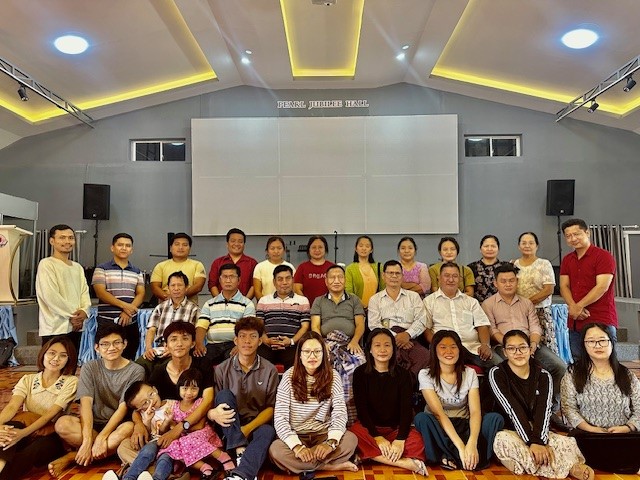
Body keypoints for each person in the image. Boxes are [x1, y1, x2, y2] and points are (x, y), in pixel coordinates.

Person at [489, 330, 593, 480]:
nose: (518, 352)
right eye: (511, 349)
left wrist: (539, 440)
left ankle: (557, 467)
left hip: (535, 428)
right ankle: (566, 469)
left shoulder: (543, 375)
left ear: (530, 349)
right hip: (509, 429)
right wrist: (533, 442)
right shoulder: (497, 373)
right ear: (505, 352)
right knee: (504, 442)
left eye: (522, 347)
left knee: (565, 442)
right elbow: (512, 409)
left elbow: (544, 411)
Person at [49, 324, 145, 476]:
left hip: (118, 426)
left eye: (116, 342)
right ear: (96, 348)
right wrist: (88, 440)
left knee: (128, 428)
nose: (111, 348)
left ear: (125, 344)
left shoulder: (136, 370)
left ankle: (74, 457)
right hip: (92, 424)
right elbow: (85, 404)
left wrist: (102, 437)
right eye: (105, 344)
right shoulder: (90, 367)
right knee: (62, 424)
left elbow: (123, 408)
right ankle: (106, 450)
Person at [120, 322, 214, 474]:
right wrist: (138, 424)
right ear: (166, 345)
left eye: (185, 338)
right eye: (173, 339)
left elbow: (208, 401)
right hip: (163, 435)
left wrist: (179, 428)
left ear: (192, 343)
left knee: (172, 448)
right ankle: (160, 472)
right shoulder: (159, 371)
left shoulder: (202, 364)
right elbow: (141, 403)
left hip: (192, 432)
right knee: (124, 446)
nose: (179, 344)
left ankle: (153, 471)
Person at [269, 332, 358, 473]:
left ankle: (303, 466)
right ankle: (328, 466)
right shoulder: (288, 377)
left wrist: (330, 443)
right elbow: (280, 418)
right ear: (299, 355)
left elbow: (340, 413)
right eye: (307, 352)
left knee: (350, 440)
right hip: (297, 434)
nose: (312, 356)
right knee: (276, 451)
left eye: (317, 351)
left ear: (324, 354)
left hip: (323, 434)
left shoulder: (333, 375)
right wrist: (297, 447)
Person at [482, 263, 566, 413]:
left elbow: (535, 326)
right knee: (508, 369)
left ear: (517, 281)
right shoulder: (488, 304)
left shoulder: (526, 303)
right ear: (495, 283)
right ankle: (517, 410)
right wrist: (511, 346)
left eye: (511, 280)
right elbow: (492, 330)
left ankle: (551, 408)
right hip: (504, 346)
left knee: (559, 366)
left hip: (529, 345)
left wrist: (532, 344)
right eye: (503, 281)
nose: (508, 284)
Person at [414, 330, 503, 471]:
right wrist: (462, 447)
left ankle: (449, 456)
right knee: (421, 419)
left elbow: (475, 411)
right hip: (440, 426)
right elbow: (439, 414)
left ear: (460, 350)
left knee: (495, 419)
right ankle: (466, 457)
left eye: (453, 347)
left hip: (465, 424)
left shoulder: (469, 373)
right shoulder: (425, 374)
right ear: (434, 351)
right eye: (443, 347)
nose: (449, 351)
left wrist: (472, 443)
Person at [560, 322, 640, 474]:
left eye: (602, 340)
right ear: (584, 345)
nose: (598, 345)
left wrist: (627, 427)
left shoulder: (626, 375)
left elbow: (639, 408)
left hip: (623, 437)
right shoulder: (573, 374)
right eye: (591, 341)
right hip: (589, 437)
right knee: (568, 446)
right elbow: (569, 408)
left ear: (611, 342)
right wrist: (591, 429)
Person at [208, 316, 279, 480]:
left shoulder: (270, 370)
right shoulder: (221, 369)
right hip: (228, 427)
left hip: (256, 425)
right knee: (224, 395)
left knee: (268, 431)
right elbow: (216, 404)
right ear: (235, 340)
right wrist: (213, 413)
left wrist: (246, 430)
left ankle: (241, 475)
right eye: (242, 336)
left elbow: (271, 408)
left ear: (260, 341)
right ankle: (240, 449)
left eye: (253, 336)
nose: (247, 341)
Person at [350, 328, 427, 475]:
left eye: (387, 345)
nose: (382, 349)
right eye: (377, 345)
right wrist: (377, 437)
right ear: (370, 350)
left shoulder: (403, 375)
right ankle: (402, 462)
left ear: (393, 349)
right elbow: (362, 410)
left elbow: (406, 409)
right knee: (353, 434)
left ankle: (372, 456)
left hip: (395, 429)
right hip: (369, 429)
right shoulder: (360, 373)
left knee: (418, 442)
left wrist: (400, 439)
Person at [0, 337, 78, 480]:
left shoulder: (70, 382)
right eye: (52, 353)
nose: (56, 359)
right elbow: (12, 406)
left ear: (69, 359)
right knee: (6, 434)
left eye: (63, 355)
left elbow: (49, 415)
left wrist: (22, 434)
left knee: (29, 454)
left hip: (50, 434)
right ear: (43, 354)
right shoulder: (27, 379)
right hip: (26, 425)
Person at [310, 264, 366, 423]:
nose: (336, 281)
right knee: (320, 365)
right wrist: (322, 343)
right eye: (332, 278)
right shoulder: (319, 301)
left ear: (345, 280)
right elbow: (315, 326)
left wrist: (355, 341)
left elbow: (360, 324)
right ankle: (325, 415)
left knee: (360, 363)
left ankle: (352, 416)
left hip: (349, 342)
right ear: (326, 281)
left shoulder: (354, 299)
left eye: (340, 277)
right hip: (326, 342)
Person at [158, 369, 234, 480]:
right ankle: (205, 468)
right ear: (178, 388)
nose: (189, 392)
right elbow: (170, 427)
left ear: (199, 389)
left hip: (202, 433)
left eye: (194, 388)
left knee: (186, 441)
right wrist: (168, 421)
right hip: (185, 437)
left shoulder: (199, 403)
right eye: (185, 388)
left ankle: (224, 457)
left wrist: (178, 427)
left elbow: (200, 425)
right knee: (172, 447)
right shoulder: (174, 406)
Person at [559, 219, 618, 360]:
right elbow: (563, 286)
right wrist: (573, 308)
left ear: (587, 233)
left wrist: (579, 306)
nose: (573, 239)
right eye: (568, 236)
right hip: (575, 321)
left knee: (605, 362)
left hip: (600, 318)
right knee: (579, 362)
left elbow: (602, 286)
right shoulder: (567, 259)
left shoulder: (603, 256)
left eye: (577, 234)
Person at [424, 262, 499, 370]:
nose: (451, 279)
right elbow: (426, 330)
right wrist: (437, 345)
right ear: (439, 278)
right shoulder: (429, 302)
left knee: (500, 365)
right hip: (445, 348)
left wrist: (485, 345)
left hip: (473, 348)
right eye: (447, 276)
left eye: (455, 276)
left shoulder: (471, 302)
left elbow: (482, 325)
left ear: (459, 279)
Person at [368, 260, 430, 376]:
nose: (394, 276)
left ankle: (409, 387)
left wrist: (407, 335)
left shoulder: (414, 297)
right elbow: (373, 324)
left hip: (410, 338)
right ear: (383, 276)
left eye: (397, 273)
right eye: (390, 273)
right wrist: (396, 337)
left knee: (425, 356)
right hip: (386, 338)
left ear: (402, 276)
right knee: (388, 359)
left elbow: (421, 320)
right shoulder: (375, 299)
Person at [104, 381, 176, 480]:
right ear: (139, 409)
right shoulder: (145, 414)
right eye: (145, 403)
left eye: (151, 394)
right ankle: (133, 477)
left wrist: (169, 422)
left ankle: (138, 473)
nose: (151, 401)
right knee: (124, 447)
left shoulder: (173, 405)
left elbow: (174, 430)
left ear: (155, 389)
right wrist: (147, 421)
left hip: (170, 446)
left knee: (165, 458)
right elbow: (147, 437)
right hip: (151, 446)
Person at [36, 224, 91, 351]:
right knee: (52, 365)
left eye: (71, 238)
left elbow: (84, 292)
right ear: (52, 241)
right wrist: (73, 316)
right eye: (62, 238)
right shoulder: (46, 264)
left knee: (71, 366)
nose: (67, 241)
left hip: (75, 327)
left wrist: (83, 311)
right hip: (54, 326)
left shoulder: (77, 267)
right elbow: (50, 296)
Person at [92, 233, 146, 360]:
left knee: (129, 355)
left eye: (128, 246)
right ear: (112, 248)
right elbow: (101, 292)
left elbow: (141, 293)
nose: (124, 248)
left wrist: (128, 312)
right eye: (120, 245)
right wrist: (125, 306)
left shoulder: (137, 271)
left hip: (130, 322)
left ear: (131, 250)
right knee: (107, 356)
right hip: (107, 320)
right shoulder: (101, 269)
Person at [139, 271, 198, 376]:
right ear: (168, 288)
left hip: (179, 350)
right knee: (138, 366)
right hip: (159, 349)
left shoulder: (193, 309)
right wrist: (148, 348)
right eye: (173, 285)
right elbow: (151, 329)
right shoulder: (160, 307)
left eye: (179, 285)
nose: (176, 288)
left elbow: (193, 335)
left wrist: (173, 349)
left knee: (160, 371)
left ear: (186, 287)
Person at [196, 263, 255, 363]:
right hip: (213, 345)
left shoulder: (247, 304)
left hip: (234, 344)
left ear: (239, 280)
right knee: (200, 361)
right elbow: (202, 326)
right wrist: (199, 343)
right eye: (224, 277)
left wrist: (240, 346)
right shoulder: (209, 304)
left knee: (234, 362)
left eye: (232, 277)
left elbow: (248, 329)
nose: (228, 280)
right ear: (219, 280)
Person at [514, 231, 559, 356]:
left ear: (537, 246)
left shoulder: (544, 264)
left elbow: (549, 289)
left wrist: (527, 303)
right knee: (522, 345)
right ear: (519, 246)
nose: (527, 245)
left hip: (541, 312)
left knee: (545, 349)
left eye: (531, 243)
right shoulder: (514, 264)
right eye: (524, 243)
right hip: (519, 312)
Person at [257, 264, 310, 369]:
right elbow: (258, 325)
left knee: (296, 365)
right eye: (280, 279)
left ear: (293, 280)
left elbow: (305, 326)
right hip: (267, 345)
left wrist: (291, 341)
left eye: (288, 278)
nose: (284, 282)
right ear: (274, 282)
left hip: (292, 345)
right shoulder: (263, 300)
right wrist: (266, 340)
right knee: (259, 364)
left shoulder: (302, 300)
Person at [150, 233, 206, 305]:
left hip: (190, 307)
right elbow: (155, 287)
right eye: (177, 244)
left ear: (189, 249)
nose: (180, 247)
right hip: (165, 307)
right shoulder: (160, 266)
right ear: (170, 248)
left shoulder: (197, 265)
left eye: (185, 245)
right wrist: (169, 298)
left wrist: (179, 297)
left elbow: (198, 286)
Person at [208, 228, 257, 299]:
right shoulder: (217, 262)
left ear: (244, 244)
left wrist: (245, 303)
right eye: (233, 241)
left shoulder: (252, 263)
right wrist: (220, 301)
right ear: (227, 244)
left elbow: (254, 286)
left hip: (244, 306)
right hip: (220, 305)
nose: (236, 244)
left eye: (240, 241)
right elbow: (212, 284)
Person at [345, 235, 384, 309]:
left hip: (377, 308)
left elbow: (383, 288)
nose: (364, 248)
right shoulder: (350, 268)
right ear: (356, 249)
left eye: (367, 246)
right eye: (361, 245)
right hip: (356, 309)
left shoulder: (379, 266)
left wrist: (374, 305)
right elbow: (348, 291)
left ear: (371, 250)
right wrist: (362, 305)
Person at [293, 235, 335, 305]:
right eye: (313, 247)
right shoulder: (302, 267)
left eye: (320, 247)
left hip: (329, 308)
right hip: (307, 308)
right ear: (309, 249)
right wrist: (306, 304)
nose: (317, 250)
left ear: (325, 249)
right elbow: (297, 289)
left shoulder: (332, 267)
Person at [253, 236, 295, 300]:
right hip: (265, 306)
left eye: (279, 248)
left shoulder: (290, 267)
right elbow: (257, 291)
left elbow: (293, 289)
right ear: (267, 251)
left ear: (284, 250)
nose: (276, 251)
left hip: (287, 304)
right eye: (272, 248)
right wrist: (266, 304)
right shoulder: (259, 267)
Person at [468, 234, 503, 303]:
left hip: (501, 307)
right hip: (477, 308)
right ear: (480, 249)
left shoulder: (506, 267)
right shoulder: (471, 267)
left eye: (493, 246)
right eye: (486, 246)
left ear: (498, 249)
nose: (489, 249)